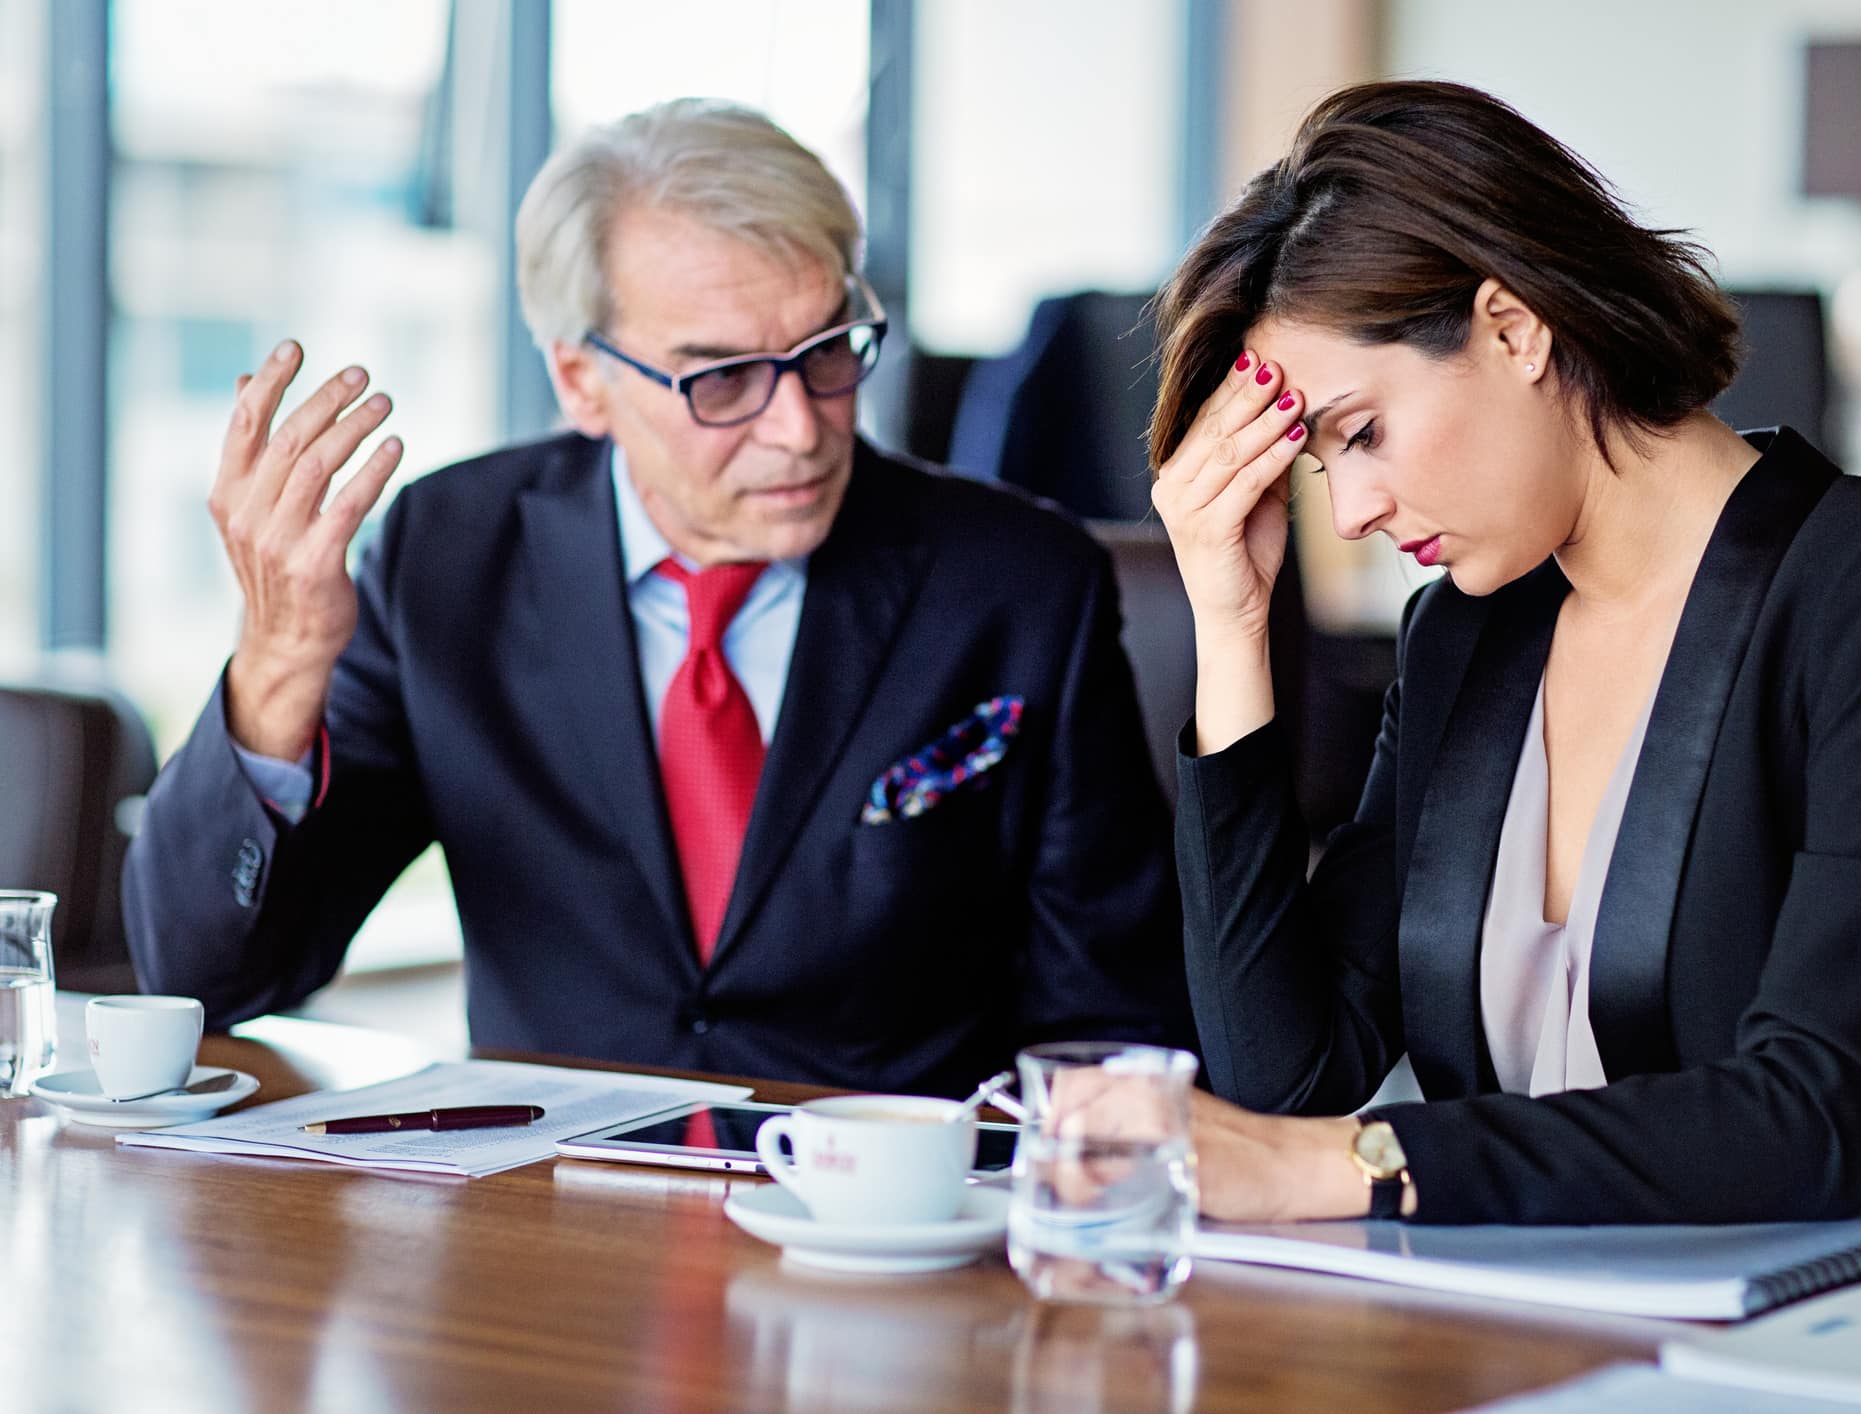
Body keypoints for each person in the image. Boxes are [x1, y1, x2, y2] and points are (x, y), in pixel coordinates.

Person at [122, 99, 1191, 1097]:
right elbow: (209, 981)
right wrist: (276, 666)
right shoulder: (449, 557)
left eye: (828, 351)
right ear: (581, 381)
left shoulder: (1017, 582)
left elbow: (1111, 1025)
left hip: (889, 1234)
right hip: (545, 1224)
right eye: (721, 377)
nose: (801, 428)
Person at [1145, 81, 1861, 1224]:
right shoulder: (1463, 635)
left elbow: (1818, 1115)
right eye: (1321, 465)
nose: (1353, 508)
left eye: (1361, 433)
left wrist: (1359, 1163)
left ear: (1514, 328)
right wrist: (1232, 626)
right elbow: (1287, 1073)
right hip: (1533, 1330)